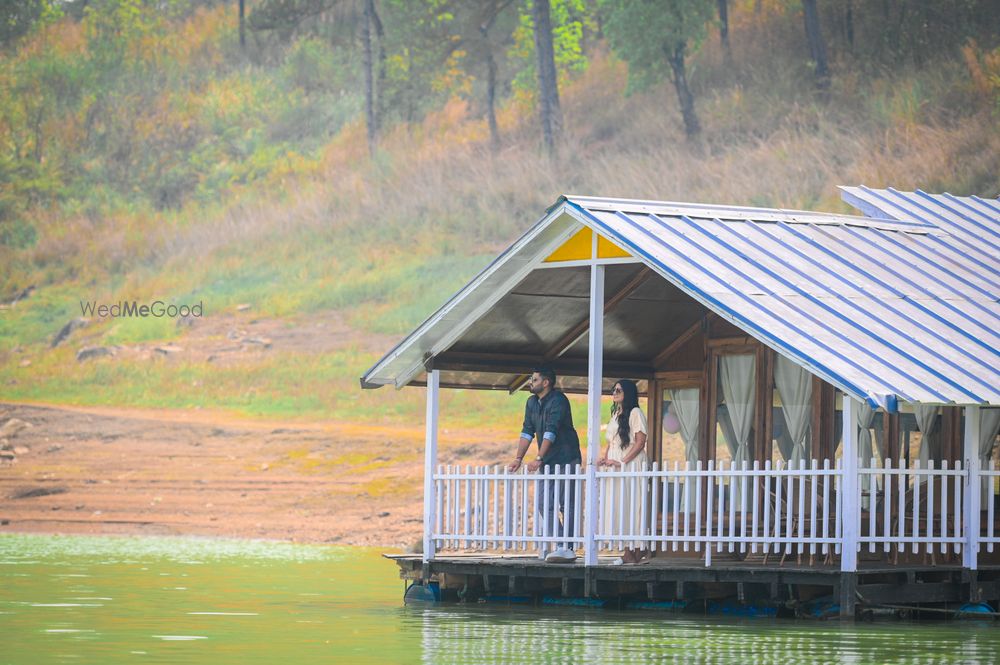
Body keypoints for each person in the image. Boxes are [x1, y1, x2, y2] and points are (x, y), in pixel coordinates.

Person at [508, 367, 582, 563]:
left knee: (568, 504)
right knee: (543, 503)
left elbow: (552, 430)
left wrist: (538, 458)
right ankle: (561, 544)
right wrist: (518, 458)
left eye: (534, 379)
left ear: (546, 382)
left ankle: (569, 547)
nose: (530, 383)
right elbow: (527, 431)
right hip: (547, 461)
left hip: (567, 456)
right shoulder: (531, 402)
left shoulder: (559, 400)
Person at [597, 379, 649, 564]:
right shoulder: (616, 414)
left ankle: (635, 549)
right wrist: (605, 458)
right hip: (616, 464)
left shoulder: (635, 413)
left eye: (618, 389)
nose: (615, 392)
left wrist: (622, 461)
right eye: (613, 389)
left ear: (627, 392)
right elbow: (611, 442)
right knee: (620, 505)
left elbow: (640, 442)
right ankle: (628, 549)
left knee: (632, 504)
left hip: (631, 463)